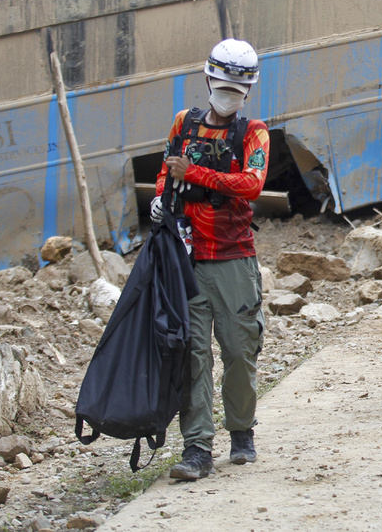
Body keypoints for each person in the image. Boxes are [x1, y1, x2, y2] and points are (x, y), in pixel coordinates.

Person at [152, 38, 270, 481]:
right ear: (207, 80)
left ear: (247, 93)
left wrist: (196, 174)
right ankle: (197, 447)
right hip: (187, 259)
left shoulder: (252, 132)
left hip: (234, 258)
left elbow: (252, 183)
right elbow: (168, 168)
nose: (227, 96)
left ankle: (241, 431)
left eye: (235, 90)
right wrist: (162, 198)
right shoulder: (184, 123)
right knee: (193, 355)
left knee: (240, 350)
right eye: (221, 85)